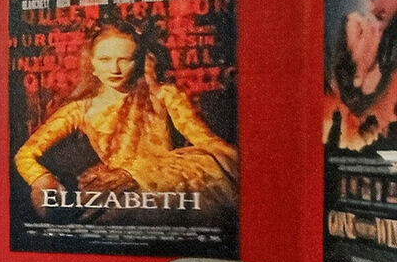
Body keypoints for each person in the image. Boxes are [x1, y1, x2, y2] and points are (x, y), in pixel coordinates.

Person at [14, 20, 237, 217]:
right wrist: (41, 179)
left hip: (169, 190)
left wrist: (138, 173)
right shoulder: (79, 110)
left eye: (125, 59)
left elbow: (212, 147)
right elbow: (25, 154)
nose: (115, 69)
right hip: (121, 195)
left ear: (138, 62)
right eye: (104, 59)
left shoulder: (164, 96)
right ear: (92, 63)